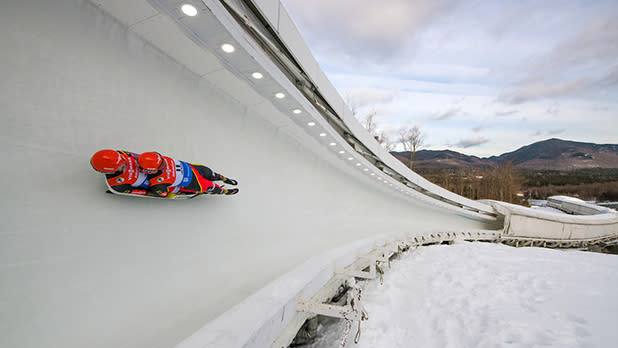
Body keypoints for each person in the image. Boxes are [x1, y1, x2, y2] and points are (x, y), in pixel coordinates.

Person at [137, 151, 238, 197]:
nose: (165, 164)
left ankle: (224, 179)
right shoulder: (157, 182)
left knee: (210, 173)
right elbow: (162, 193)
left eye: (162, 161)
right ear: (150, 171)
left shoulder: (157, 158)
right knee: (210, 186)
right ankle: (224, 191)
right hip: (193, 182)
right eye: (161, 166)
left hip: (193, 168)